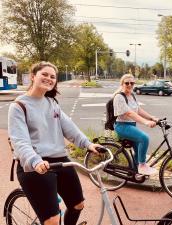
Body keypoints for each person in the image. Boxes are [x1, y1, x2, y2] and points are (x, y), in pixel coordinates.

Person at [8, 61, 102, 225]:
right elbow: (20, 142)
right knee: (52, 220)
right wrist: (35, 161)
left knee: (78, 205)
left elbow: (70, 128)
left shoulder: (52, 104)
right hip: (34, 165)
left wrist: (88, 144)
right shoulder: (19, 106)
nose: (49, 78)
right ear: (32, 76)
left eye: (52, 77)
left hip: (59, 161)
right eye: (44, 74)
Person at [113, 74, 158, 175]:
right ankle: (142, 166)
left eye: (132, 83)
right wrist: (146, 122)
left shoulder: (131, 95)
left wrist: (152, 118)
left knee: (138, 151)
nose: (129, 85)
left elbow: (138, 110)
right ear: (122, 84)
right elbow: (129, 113)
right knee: (144, 138)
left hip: (131, 126)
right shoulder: (119, 97)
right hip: (122, 126)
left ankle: (134, 173)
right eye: (127, 83)